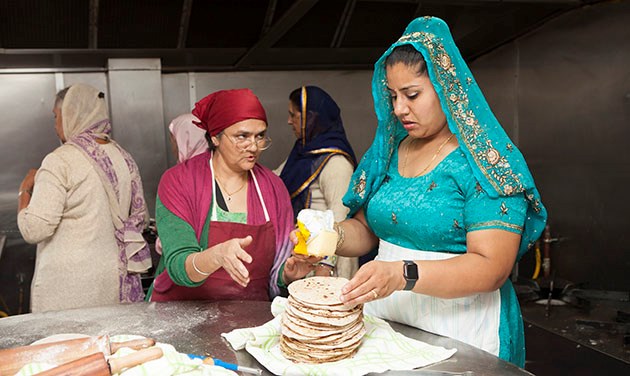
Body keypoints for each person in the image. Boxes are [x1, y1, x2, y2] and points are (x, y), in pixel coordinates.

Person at [328, 17, 547, 367]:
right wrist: (329, 236)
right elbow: (367, 229)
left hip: (463, 332)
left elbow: (492, 268)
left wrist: (401, 274)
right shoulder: (390, 152)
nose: (400, 108)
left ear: (446, 87)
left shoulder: (485, 162)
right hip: (387, 324)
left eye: (412, 95)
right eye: (393, 96)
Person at [148, 88, 316, 302]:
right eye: (242, 136)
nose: (253, 147)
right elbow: (178, 264)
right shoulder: (179, 181)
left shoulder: (273, 187)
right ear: (215, 138)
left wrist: (288, 274)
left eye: (260, 136)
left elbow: (277, 268)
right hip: (183, 314)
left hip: (250, 317)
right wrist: (216, 256)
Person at [17, 83, 152, 312]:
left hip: (69, 291)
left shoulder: (60, 160)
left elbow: (35, 229)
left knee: (71, 346)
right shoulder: (123, 157)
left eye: (56, 116)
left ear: (71, 113)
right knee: (107, 345)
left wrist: (24, 191)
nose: (56, 125)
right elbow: (142, 218)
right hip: (114, 282)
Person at [275, 86, 358, 279]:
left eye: (293, 115)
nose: (289, 121)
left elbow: (340, 219)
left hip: (327, 267)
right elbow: (274, 181)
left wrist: (326, 266)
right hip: (304, 259)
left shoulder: (336, 162)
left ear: (309, 118)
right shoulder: (302, 153)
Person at [154, 113, 208, 256]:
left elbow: (173, 240)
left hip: (188, 261)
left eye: (174, 140)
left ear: (184, 139)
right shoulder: (219, 168)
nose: (173, 146)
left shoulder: (179, 177)